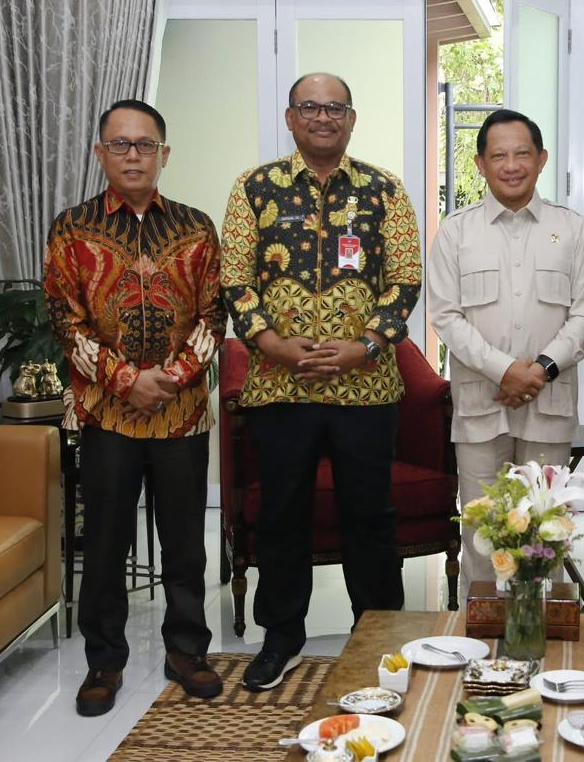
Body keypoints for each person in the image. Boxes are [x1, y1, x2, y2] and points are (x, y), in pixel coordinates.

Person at [220, 72, 422, 691]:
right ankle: (281, 637)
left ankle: (378, 639)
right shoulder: (254, 188)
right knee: (282, 515)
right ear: (290, 117)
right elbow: (236, 281)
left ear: (352, 118)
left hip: (366, 388)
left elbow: (405, 281)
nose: (323, 117)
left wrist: (364, 347)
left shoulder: (384, 190)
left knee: (372, 516)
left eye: (335, 107)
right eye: (310, 106)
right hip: (280, 387)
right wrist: (273, 345)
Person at [44, 99, 224, 716]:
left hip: (182, 412)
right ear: (100, 153)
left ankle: (188, 651)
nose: (132, 155)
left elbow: (213, 316)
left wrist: (170, 378)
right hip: (107, 414)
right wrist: (126, 380)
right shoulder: (72, 228)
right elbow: (64, 320)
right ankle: (104, 660)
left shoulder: (196, 227)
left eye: (144, 145)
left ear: (163, 154)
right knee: (105, 541)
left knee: (185, 539)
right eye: (119, 144)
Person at [427, 109, 584, 597]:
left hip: (548, 404)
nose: (511, 165)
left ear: (541, 159)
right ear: (480, 164)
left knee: (546, 531)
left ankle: (537, 633)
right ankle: (482, 635)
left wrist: (539, 370)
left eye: (522, 153)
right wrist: (504, 371)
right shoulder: (457, 231)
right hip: (481, 406)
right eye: (499, 155)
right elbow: (446, 316)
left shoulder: (571, 229)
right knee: (482, 532)